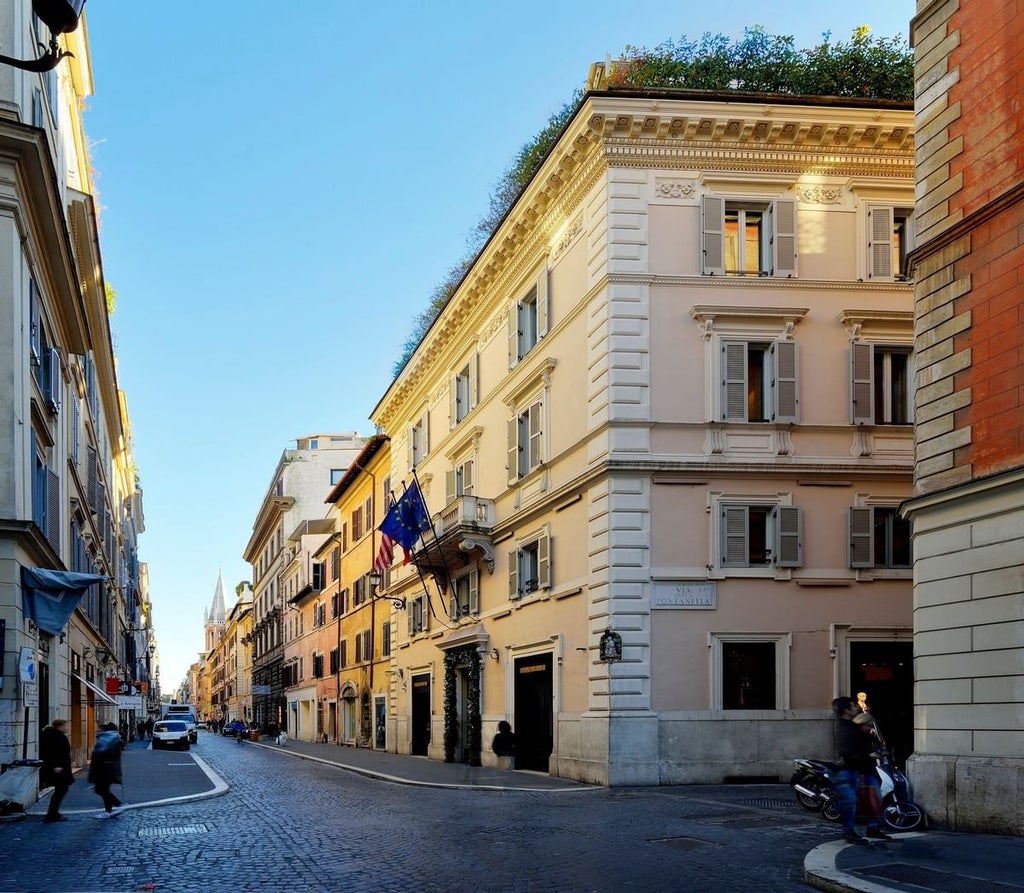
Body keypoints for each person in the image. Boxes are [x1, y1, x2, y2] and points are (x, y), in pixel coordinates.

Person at [831, 696, 890, 844]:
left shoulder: (854, 723)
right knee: (850, 801)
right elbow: (847, 751)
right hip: (849, 770)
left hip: (864, 768)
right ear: (846, 709)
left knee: (876, 797)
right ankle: (849, 832)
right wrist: (868, 754)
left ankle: (873, 828)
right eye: (852, 706)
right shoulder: (844, 727)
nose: (856, 707)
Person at [39, 718, 73, 823]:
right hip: (58, 768)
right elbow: (53, 753)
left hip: (58, 767)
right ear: (60, 726)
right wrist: (56, 765)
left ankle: (53, 813)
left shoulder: (53, 735)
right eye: (66, 726)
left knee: (60, 790)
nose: (68, 728)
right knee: (61, 790)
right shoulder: (56, 737)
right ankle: (52, 814)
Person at [88, 722, 124, 818]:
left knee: (100, 790)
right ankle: (109, 811)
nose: (97, 732)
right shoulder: (108, 740)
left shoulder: (107, 740)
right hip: (106, 770)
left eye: (99, 730)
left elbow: (102, 756)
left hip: (104, 770)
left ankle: (118, 804)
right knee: (103, 790)